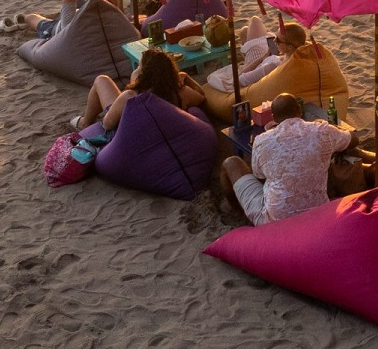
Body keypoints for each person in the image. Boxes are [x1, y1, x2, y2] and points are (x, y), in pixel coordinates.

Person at [224, 92, 353, 225]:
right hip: (317, 213)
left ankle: (235, 209)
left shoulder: (261, 140)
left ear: (273, 117)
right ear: (299, 110)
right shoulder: (322, 131)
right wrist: (332, 129)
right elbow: (353, 139)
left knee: (231, 163)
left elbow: (259, 175)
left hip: (274, 221)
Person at [76, 48, 204, 132]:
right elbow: (202, 96)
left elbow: (107, 124)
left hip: (127, 130)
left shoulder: (129, 97)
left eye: (139, 67)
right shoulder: (181, 93)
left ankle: (85, 123)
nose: (136, 70)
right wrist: (186, 77)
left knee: (101, 80)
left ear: (144, 75)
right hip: (157, 127)